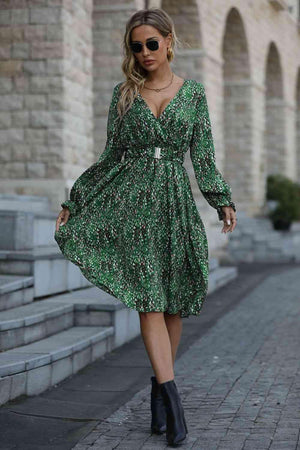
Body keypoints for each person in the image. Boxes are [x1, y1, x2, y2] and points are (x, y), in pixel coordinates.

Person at [54, 7, 237, 447]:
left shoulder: (193, 94)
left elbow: (204, 157)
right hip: (133, 207)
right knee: (150, 302)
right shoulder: (123, 94)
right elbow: (109, 157)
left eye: (151, 43)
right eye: (136, 46)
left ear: (169, 42)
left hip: (175, 205)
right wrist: (74, 200)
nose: (144, 52)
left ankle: (158, 387)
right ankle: (174, 405)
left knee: (171, 305)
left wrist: (220, 199)